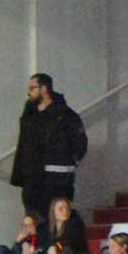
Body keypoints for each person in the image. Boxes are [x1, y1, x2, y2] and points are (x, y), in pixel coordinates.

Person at [9, 73, 89, 223]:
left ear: (44, 89)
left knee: (57, 221)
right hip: (32, 181)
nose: (29, 92)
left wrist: (70, 161)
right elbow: (23, 144)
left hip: (57, 181)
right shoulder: (29, 115)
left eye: (32, 88)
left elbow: (80, 143)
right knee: (34, 221)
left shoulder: (65, 115)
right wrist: (21, 172)